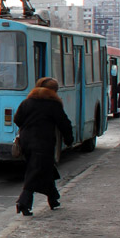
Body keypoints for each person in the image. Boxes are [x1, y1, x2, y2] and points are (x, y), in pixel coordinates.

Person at [12, 77, 74, 216]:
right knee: (35, 170)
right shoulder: (53, 105)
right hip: (43, 142)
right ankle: (23, 202)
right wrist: (69, 140)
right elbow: (64, 123)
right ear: (53, 91)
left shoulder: (27, 102)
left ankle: (53, 198)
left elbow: (17, 119)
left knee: (44, 168)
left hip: (26, 141)